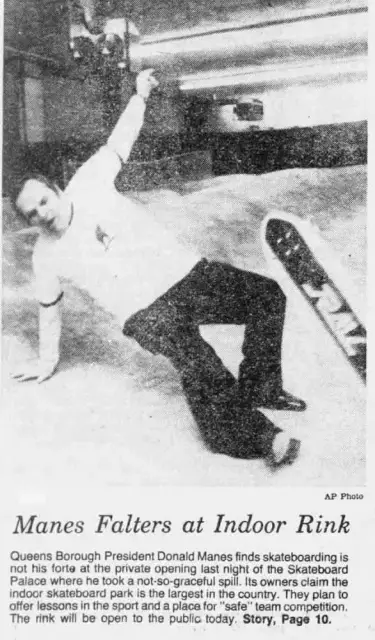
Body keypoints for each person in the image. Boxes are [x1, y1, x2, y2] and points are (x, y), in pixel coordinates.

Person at [12, 69, 305, 468]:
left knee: (267, 295)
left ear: (57, 190)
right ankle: (253, 438)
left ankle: (261, 387)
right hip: (145, 313)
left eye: (44, 201)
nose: (42, 215)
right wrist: (46, 363)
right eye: (32, 214)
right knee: (198, 359)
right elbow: (49, 311)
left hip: (186, 275)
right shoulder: (44, 256)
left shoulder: (89, 181)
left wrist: (140, 96)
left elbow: (121, 139)